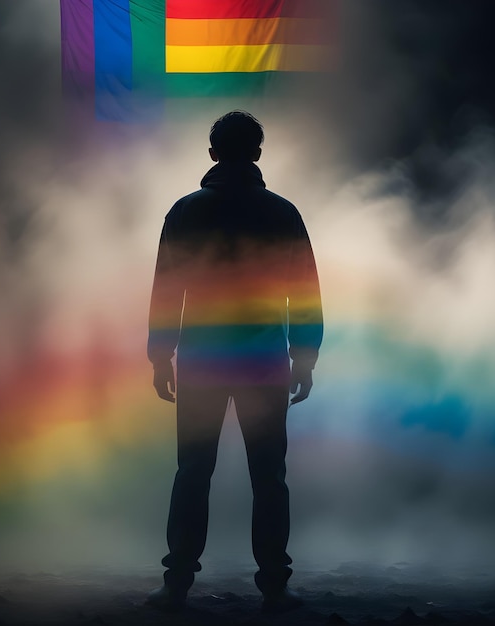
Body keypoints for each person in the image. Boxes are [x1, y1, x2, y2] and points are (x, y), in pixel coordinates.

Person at [146, 111, 323, 612]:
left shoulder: (184, 212)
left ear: (212, 153)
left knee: (192, 472)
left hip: (202, 361)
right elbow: (304, 291)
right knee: (269, 476)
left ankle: (176, 582)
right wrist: (304, 355)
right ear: (258, 154)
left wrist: (161, 355)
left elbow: (166, 291)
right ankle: (274, 584)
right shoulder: (282, 213)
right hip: (263, 362)